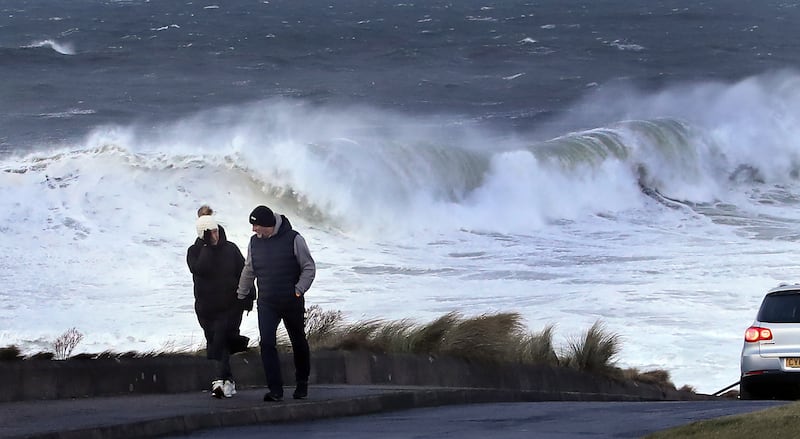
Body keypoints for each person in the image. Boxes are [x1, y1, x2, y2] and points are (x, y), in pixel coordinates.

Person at [236, 205, 316, 402]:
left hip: (291, 301)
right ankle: (275, 390)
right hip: (267, 302)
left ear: (267, 225)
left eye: (255, 225)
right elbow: (249, 270)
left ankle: (302, 383)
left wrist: (298, 290)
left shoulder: (294, 239)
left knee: (298, 341)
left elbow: (309, 268)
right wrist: (241, 293)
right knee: (267, 343)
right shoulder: (254, 243)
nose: (253, 230)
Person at [187, 206, 254, 399]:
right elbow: (199, 269)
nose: (215, 235)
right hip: (206, 307)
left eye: (216, 230)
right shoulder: (194, 252)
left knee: (221, 338)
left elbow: (245, 272)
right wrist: (207, 247)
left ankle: (219, 379)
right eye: (210, 233)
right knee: (215, 341)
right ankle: (228, 381)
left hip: (230, 305)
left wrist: (249, 296)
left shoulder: (230, 248)